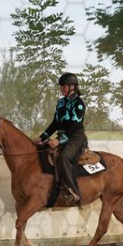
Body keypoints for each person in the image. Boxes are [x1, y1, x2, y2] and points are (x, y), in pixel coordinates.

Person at [34, 72, 88, 204]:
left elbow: (75, 125)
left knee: (64, 157)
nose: (61, 89)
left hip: (76, 136)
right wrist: (42, 137)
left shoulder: (79, 103)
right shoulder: (60, 102)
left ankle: (74, 192)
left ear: (72, 86)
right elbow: (55, 123)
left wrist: (59, 140)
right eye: (61, 86)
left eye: (64, 86)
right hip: (62, 135)